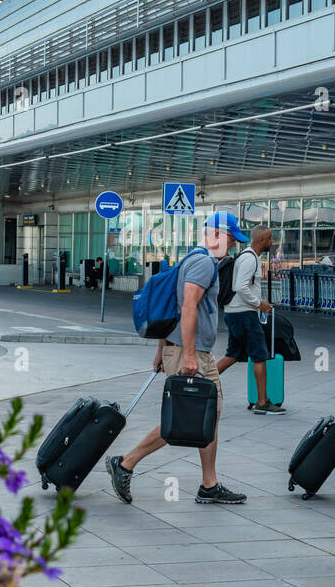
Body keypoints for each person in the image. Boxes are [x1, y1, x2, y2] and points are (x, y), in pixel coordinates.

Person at [108, 211, 250, 505]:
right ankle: (125, 463)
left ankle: (209, 485)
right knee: (183, 418)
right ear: (217, 235)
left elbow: (173, 307)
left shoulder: (192, 259)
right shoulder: (202, 263)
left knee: (210, 414)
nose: (234, 246)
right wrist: (187, 355)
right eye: (232, 240)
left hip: (191, 351)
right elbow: (187, 307)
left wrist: (162, 350)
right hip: (192, 354)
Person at [215, 225, 283, 415]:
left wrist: (259, 301)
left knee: (233, 354)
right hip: (243, 313)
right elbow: (241, 287)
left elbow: (246, 286)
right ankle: (262, 401)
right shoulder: (249, 258)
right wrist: (258, 303)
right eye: (269, 238)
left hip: (237, 312)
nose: (271, 242)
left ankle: (202, 379)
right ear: (261, 240)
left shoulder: (248, 257)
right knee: (259, 354)